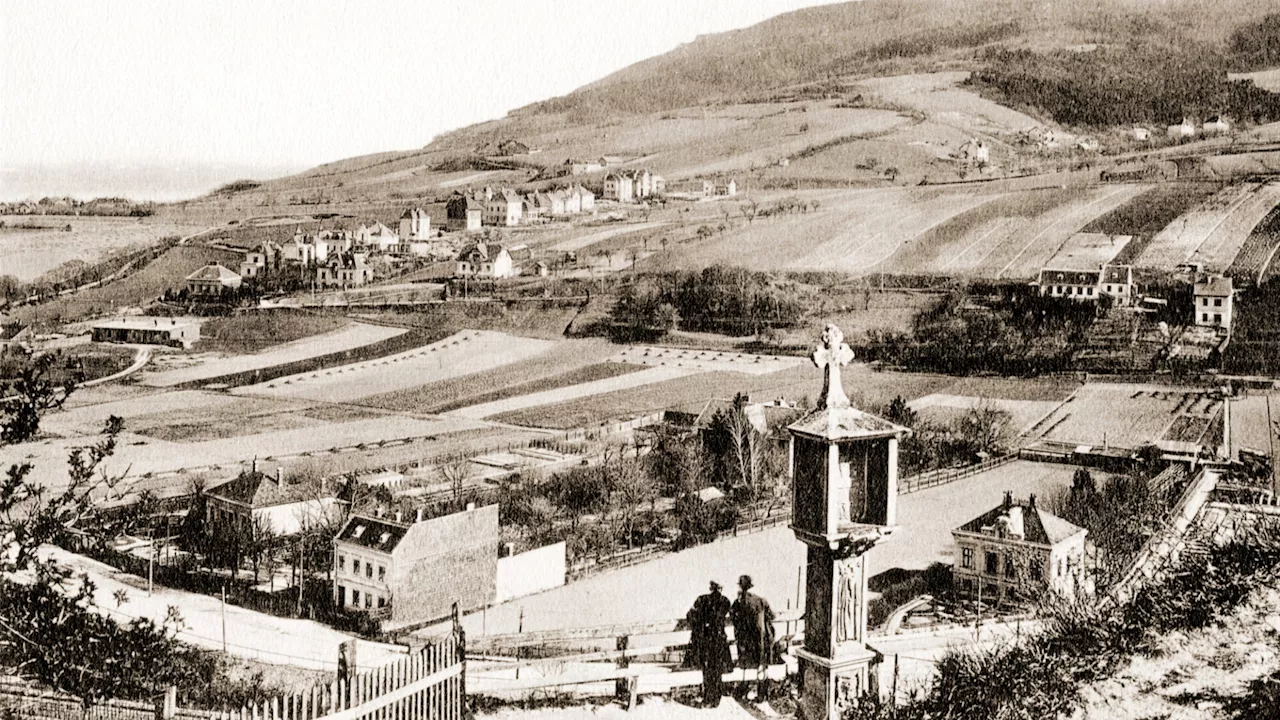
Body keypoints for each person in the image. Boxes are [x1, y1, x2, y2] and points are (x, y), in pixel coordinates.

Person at [686, 580, 732, 707]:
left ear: (711, 588)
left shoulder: (702, 599)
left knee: (707, 670)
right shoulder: (726, 601)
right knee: (718, 669)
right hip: (719, 640)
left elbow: (690, 616)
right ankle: (716, 699)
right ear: (721, 588)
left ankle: (708, 697)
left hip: (706, 640)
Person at [731, 574, 776, 699]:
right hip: (761, 640)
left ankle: (743, 690)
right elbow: (772, 616)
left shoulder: (737, 603)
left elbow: (734, 619)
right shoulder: (761, 600)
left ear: (740, 586)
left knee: (746, 666)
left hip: (746, 642)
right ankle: (762, 695)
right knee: (762, 665)